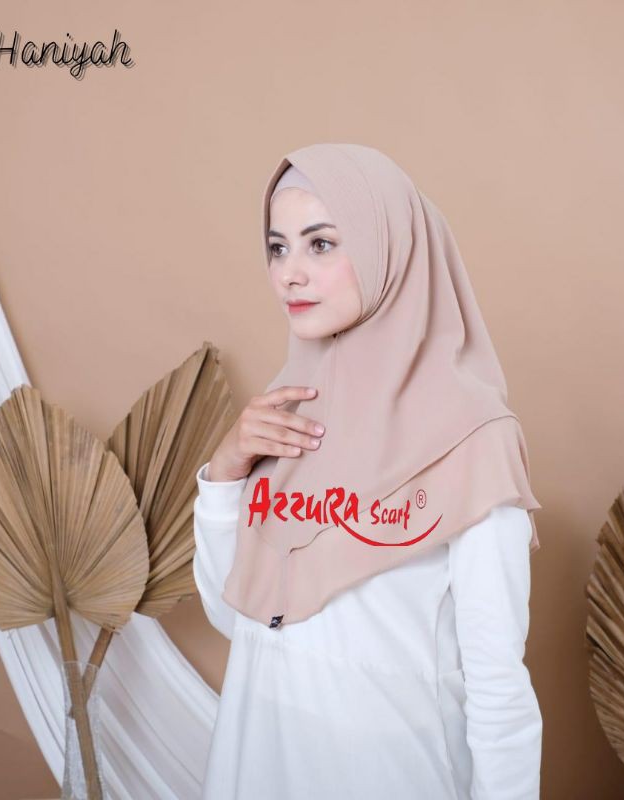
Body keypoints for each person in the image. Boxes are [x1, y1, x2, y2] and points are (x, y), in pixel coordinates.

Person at [193, 143, 543, 799]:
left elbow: (497, 685)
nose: (290, 274)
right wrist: (226, 471)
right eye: (277, 248)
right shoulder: (286, 415)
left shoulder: (473, 439)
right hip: (254, 764)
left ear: (391, 249)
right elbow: (231, 613)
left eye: (321, 244)